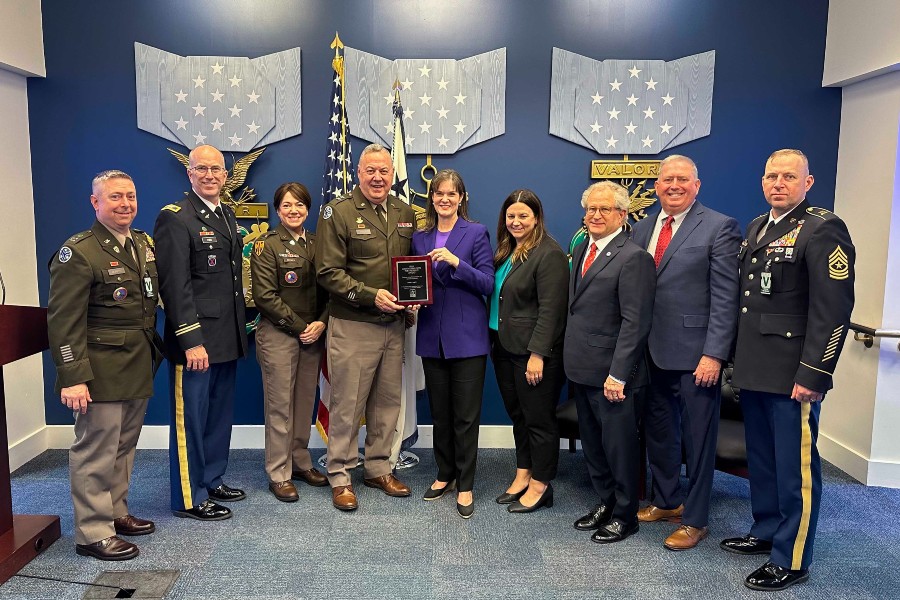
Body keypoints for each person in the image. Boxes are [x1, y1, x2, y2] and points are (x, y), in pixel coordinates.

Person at [724, 149, 855, 591]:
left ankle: (792, 557)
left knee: (795, 468)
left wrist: (814, 373)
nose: (778, 183)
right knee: (763, 461)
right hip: (755, 368)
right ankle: (765, 532)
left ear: (808, 182)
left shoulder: (822, 229)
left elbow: (832, 311)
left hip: (791, 374)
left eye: (788, 176)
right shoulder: (759, 226)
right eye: (771, 176)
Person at [48, 170, 162, 560]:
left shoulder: (142, 245)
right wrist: (73, 377)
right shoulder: (79, 252)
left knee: (124, 446)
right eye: (115, 197)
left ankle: (115, 511)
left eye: (130, 196)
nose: (125, 204)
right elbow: (63, 321)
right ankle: (92, 532)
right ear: (95, 202)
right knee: (95, 449)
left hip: (136, 362)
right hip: (99, 369)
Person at [631, 155, 741, 550]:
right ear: (656, 186)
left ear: (697, 185)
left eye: (682, 179)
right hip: (651, 352)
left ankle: (695, 520)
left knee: (697, 439)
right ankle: (666, 501)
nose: (673, 185)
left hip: (697, 356)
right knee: (660, 432)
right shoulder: (643, 227)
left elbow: (726, 297)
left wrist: (714, 354)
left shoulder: (719, 227)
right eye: (666, 180)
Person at [315, 143, 417, 511]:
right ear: (359, 173)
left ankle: (377, 467)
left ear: (392, 175)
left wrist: (413, 297)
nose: (378, 177)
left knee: (386, 402)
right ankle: (340, 474)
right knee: (347, 404)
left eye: (384, 171)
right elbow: (327, 271)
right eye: (370, 171)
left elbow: (410, 268)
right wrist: (370, 295)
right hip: (354, 322)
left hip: (393, 325)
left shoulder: (405, 211)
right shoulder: (337, 212)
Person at [153, 145, 248, 521]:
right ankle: (189, 497)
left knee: (217, 415)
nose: (210, 175)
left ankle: (211, 477)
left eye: (217, 170)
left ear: (226, 176)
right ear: (189, 174)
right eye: (202, 169)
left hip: (226, 335)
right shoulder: (175, 218)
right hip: (195, 341)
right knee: (190, 418)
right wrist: (191, 340)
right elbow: (175, 286)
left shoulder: (225, 213)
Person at [566, 181, 656, 544]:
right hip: (582, 368)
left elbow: (636, 323)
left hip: (614, 376)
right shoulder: (582, 248)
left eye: (605, 209)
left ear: (622, 214)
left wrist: (618, 374)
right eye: (591, 209)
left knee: (619, 448)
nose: (596, 215)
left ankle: (626, 514)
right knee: (594, 445)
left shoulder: (633, 257)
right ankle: (605, 503)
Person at [412, 170, 494, 519]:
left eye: (452, 194)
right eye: (438, 194)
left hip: (467, 339)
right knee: (441, 414)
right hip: (432, 335)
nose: (444, 199)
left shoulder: (476, 232)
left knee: (465, 417)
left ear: (462, 198)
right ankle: (445, 473)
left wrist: (456, 262)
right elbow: (414, 278)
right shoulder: (420, 236)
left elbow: (488, 283)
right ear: (431, 199)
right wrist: (410, 298)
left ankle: (466, 484)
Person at [489, 189, 568, 513]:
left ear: (536, 217)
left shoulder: (548, 253)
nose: (516, 221)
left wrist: (538, 354)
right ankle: (524, 472)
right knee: (519, 417)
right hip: (503, 346)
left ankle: (541, 484)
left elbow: (552, 310)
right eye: (511, 216)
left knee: (539, 420)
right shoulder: (507, 250)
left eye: (523, 215)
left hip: (532, 354)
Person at [251, 182, 329, 502]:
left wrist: (321, 322)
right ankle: (278, 472)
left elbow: (329, 288)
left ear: (307, 209)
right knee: (280, 406)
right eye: (286, 205)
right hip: (280, 334)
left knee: (303, 403)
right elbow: (265, 297)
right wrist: (302, 327)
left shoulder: (317, 243)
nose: (294, 211)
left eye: (299, 205)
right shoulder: (266, 245)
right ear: (277, 209)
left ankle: (299, 461)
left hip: (312, 334)